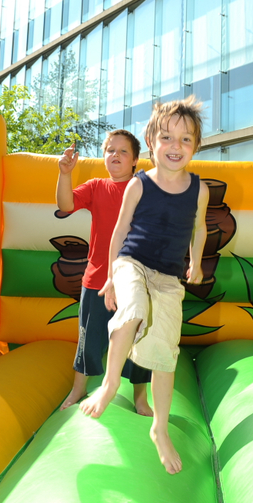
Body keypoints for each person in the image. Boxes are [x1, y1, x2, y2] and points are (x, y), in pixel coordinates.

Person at [82, 96, 209, 475]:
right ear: (151, 142)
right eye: (167, 137)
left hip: (168, 277)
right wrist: (110, 277)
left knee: (165, 352)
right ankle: (108, 384)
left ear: (196, 146)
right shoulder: (139, 185)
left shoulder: (199, 190)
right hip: (131, 263)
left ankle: (160, 428)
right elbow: (120, 229)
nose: (175, 146)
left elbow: (200, 228)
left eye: (185, 139)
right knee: (134, 310)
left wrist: (197, 262)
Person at [56, 130, 153, 416]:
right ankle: (78, 389)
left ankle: (140, 398)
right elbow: (65, 205)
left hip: (135, 281)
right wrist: (64, 173)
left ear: (135, 160)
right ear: (103, 157)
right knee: (88, 338)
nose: (116, 155)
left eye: (123, 151)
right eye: (110, 150)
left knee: (138, 340)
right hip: (98, 279)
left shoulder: (145, 188)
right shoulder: (97, 186)